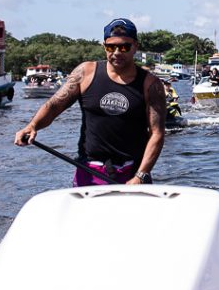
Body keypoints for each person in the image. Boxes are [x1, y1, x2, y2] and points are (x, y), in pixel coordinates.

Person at [14, 18, 166, 186]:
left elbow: (157, 133)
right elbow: (55, 105)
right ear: (104, 46)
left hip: (132, 173)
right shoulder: (85, 73)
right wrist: (33, 125)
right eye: (111, 47)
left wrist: (141, 175)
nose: (116, 52)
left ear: (135, 46)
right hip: (89, 171)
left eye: (124, 47)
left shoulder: (150, 84)